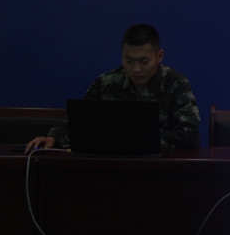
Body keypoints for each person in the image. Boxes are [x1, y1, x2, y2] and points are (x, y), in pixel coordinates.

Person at [25, 24, 201, 152]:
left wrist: (134, 139)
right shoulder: (107, 82)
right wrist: (53, 137)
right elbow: (77, 125)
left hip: (160, 168)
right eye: (129, 61)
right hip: (111, 166)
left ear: (159, 56)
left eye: (144, 61)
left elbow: (190, 136)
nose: (136, 69)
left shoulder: (176, 84)